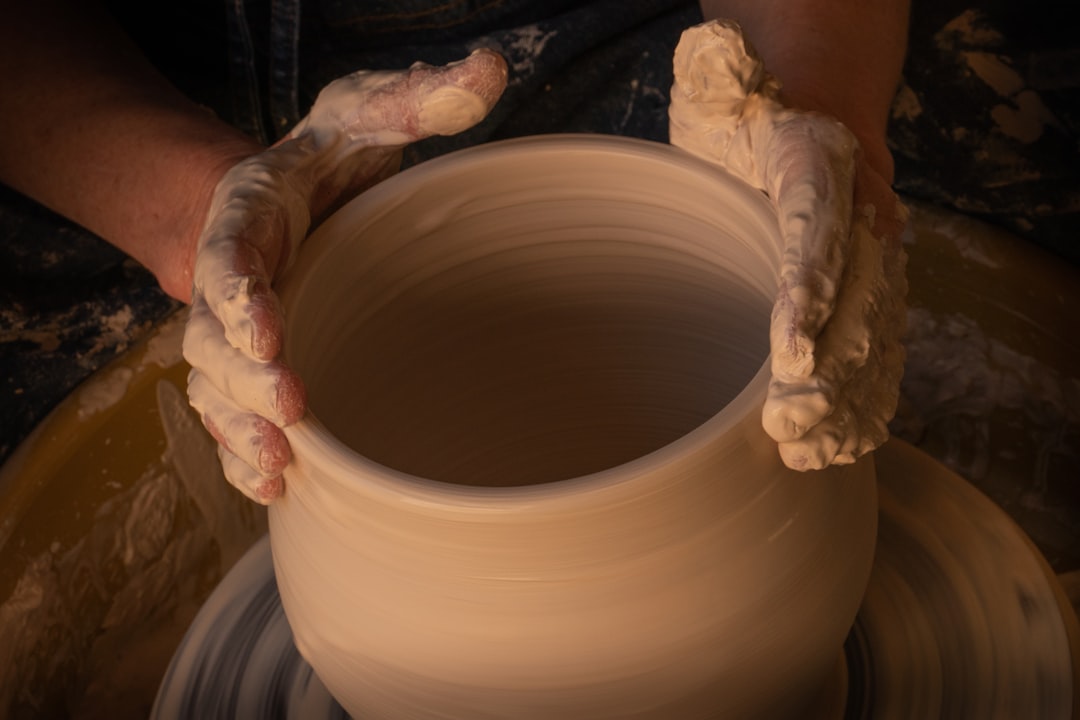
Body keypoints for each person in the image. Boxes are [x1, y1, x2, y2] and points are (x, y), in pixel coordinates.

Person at [0, 0, 911, 501]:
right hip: (93, 92)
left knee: (841, 286)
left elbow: (791, 94)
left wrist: (806, 98)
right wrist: (195, 203)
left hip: (639, 29)